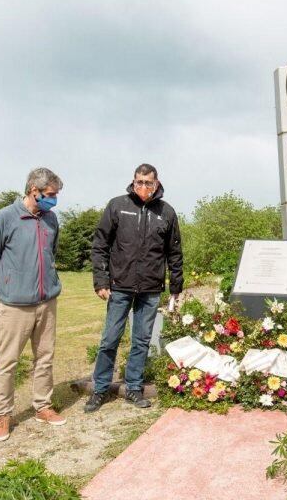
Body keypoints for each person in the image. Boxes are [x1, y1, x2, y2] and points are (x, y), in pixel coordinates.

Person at [83, 163, 183, 412]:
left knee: (141, 341)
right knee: (109, 339)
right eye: (139, 182)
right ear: (133, 181)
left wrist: (176, 287)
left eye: (148, 183)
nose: (143, 187)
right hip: (120, 286)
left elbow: (174, 252)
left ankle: (134, 388)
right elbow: (100, 246)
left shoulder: (166, 212)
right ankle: (100, 389)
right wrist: (101, 280)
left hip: (150, 288)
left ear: (156, 184)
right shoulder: (118, 206)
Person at [0, 167, 66, 442]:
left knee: (45, 357)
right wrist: (8, 286)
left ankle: (42, 406)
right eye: (51, 195)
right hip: (15, 306)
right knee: (7, 362)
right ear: (34, 191)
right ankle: (3, 415)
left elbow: (51, 255)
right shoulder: (5, 218)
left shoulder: (51, 219)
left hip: (47, 302)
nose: (54, 200)